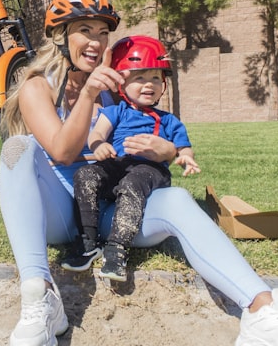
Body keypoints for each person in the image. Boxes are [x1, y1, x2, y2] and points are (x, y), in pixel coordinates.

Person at [0, 0, 278, 346]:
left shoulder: (115, 89)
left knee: (175, 200)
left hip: (112, 208)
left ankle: (264, 312)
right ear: (59, 36)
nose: (95, 41)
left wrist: (167, 153)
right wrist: (90, 93)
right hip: (61, 210)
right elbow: (62, 151)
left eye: (102, 33)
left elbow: (152, 141)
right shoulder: (37, 86)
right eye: (84, 30)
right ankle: (39, 297)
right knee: (18, 148)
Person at [61, 35, 200, 282]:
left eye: (156, 78)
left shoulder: (169, 120)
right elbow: (97, 134)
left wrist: (185, 158)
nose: (149, 85)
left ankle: (117, 249)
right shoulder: (115, 111)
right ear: (122, 85)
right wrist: (99, 145)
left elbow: (183, 148)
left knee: (132, 183)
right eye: (140, 78)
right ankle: (87, 242)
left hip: (150, 170)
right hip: (117, 164)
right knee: (85, 175)